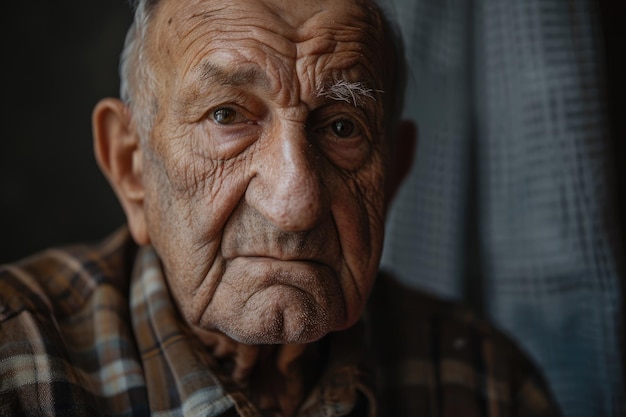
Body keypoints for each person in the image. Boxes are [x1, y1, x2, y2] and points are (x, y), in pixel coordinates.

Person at [0, 0, 562, 415]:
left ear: (390, 176)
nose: (293, 203)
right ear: (131, 167)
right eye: (226, 116)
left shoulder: (484, 383)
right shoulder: (19, 365)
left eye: (342, 126)